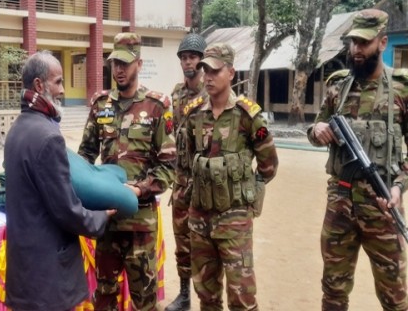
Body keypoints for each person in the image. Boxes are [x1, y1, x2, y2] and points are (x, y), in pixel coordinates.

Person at [308, 9, 408, 310]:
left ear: (382, 42)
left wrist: (399, 187)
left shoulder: (401, 89)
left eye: (364, 43)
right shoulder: (338, 86)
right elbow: (314, 129)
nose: (356, 50)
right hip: (340, 204)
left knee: (395, 295)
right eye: (353, 42)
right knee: (333, 291)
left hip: (383, 206)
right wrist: (318, 129)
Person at [4, 51, 111, 311]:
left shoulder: (17, 129)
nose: (62, 90)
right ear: (39, 85)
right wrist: (102, 217)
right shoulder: (48, 136)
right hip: (48, 280)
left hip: (24, 274)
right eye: (58, 82)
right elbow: (66, 210)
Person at [78, 32, 177, 310]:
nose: (119, 70)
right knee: (105, 297)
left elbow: (168, 166)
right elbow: (85, 154)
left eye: (125, 63)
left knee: (144, 301)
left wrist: (138, 189)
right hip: (107, 222)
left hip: (140, 225)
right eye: (115, 63)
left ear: (139, 64)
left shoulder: (157, 107)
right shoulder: (101, 105)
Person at [184, 43, 278, 311]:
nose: (208, 77)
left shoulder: (248, 116)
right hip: (200, 219)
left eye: (215, 71)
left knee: (241, 297)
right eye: (205, 71)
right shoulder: (194, 115)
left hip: (234, 219)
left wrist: (247, 194)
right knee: (206, 294)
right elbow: (187, 162)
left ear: (231, 73)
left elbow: (268, 165)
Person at [166, 32, 207, 311]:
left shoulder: (211, 93)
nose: (187, 61)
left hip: (205, 183)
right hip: (181, 181)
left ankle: (208, 297)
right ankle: (184, 296)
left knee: (205, 242)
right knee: (182, 241)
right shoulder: (177, 93)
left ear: (202, 61)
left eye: (192, 57)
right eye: (183, 57)